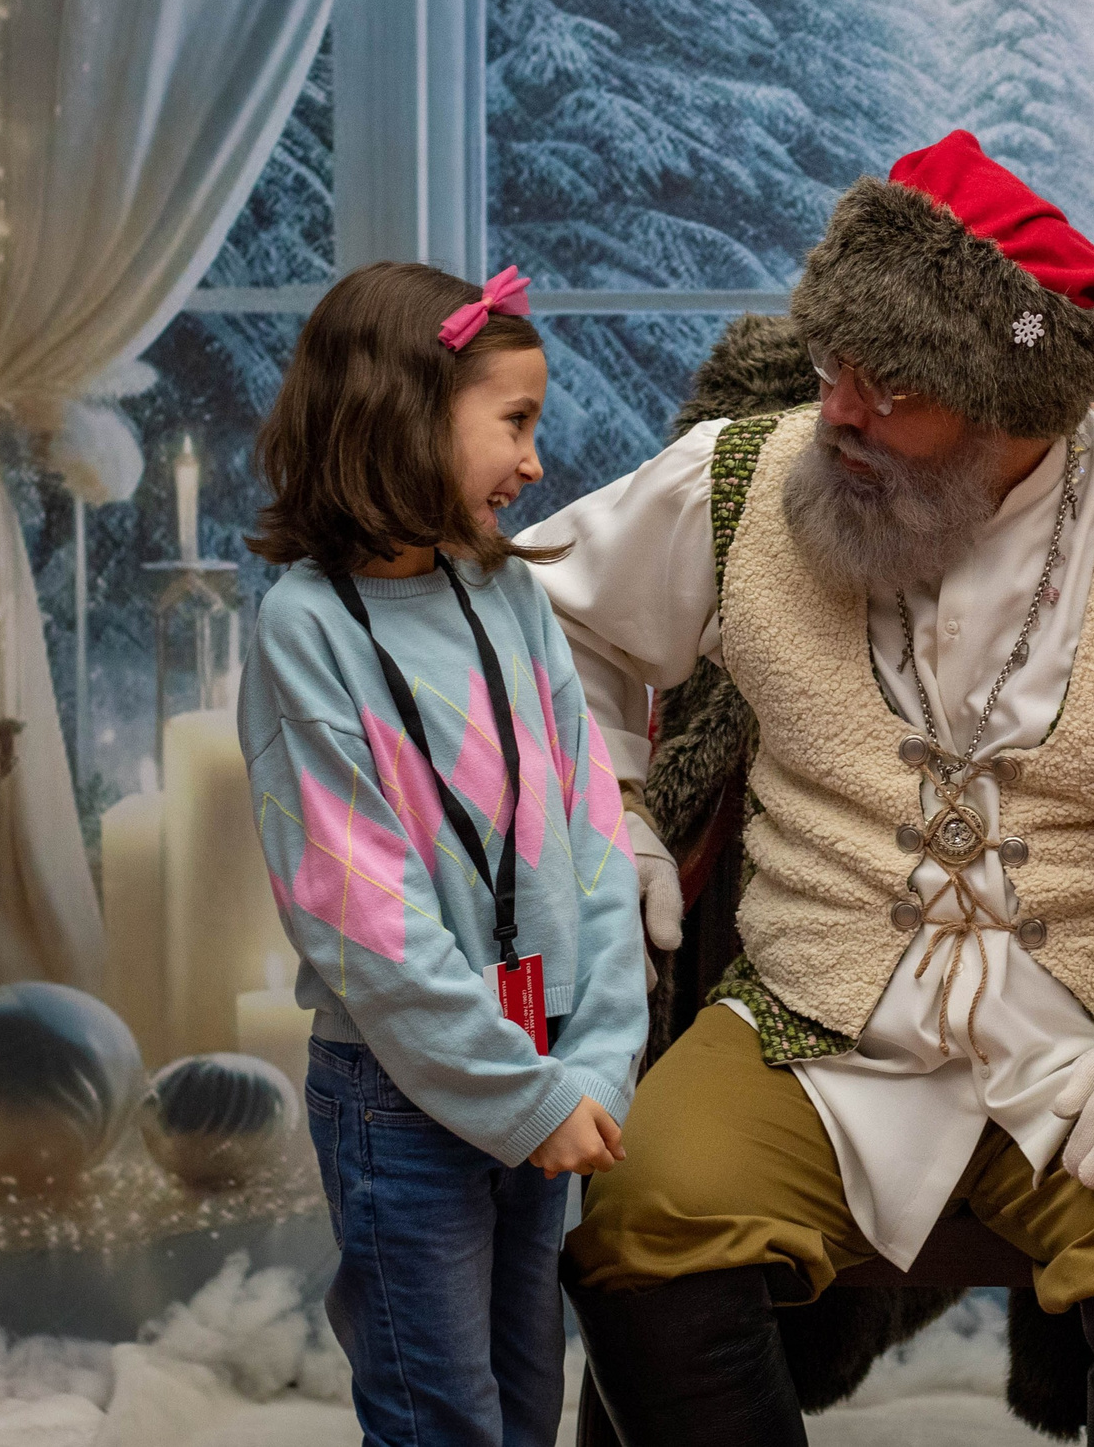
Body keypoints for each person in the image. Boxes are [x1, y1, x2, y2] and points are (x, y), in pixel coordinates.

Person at [520, 130, 1094, 1446]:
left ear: (1014, 406)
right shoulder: (746, 479)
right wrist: (612, 817)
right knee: (646, 1213)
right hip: (809, 1016)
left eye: (891, 390)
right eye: (831, 367)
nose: (840, 412)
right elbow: (538, 629)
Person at [239, 261, 651, 1447]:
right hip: (402, 1096)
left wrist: (595, 1063)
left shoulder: (507, 596)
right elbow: (365, 925)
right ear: (405, 414)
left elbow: (594, 837)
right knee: (441, 1419)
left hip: (547, 1065)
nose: (535, 463)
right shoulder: (305, 630)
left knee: (526, 1400)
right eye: (514, 423)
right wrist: (524, 1097)